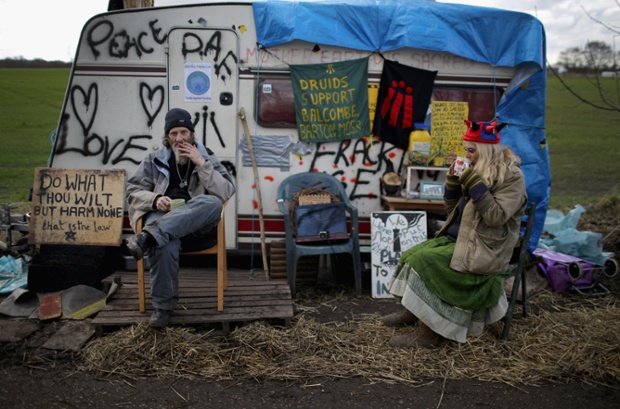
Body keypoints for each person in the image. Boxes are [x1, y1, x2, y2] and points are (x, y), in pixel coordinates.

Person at [382, 119, 527, 348]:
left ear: (486, 151)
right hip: (461, 239)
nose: (466, 155)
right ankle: (415, 311)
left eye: (471, 150)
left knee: (425, 261)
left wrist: (473, 182)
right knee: (411, 254)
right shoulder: (478, 170)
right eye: (466, 150)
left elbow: (495, 217)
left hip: (484, 249)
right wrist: (452, 184)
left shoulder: (511, 177)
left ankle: (428, 334)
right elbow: (454, 214)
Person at [125, 108, 236, 327]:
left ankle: (147, 236)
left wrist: (201, 164)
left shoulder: (206, 156)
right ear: (167, 137)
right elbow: (131, 192)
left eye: (184, 132)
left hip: (197, 229)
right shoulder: (153, 159)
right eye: (174, 133)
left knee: (212, 202)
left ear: (191, 134)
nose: (179, 139)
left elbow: (226, 191)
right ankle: (163, 308)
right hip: (166, 225)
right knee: (163, 243)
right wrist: (155, 199)